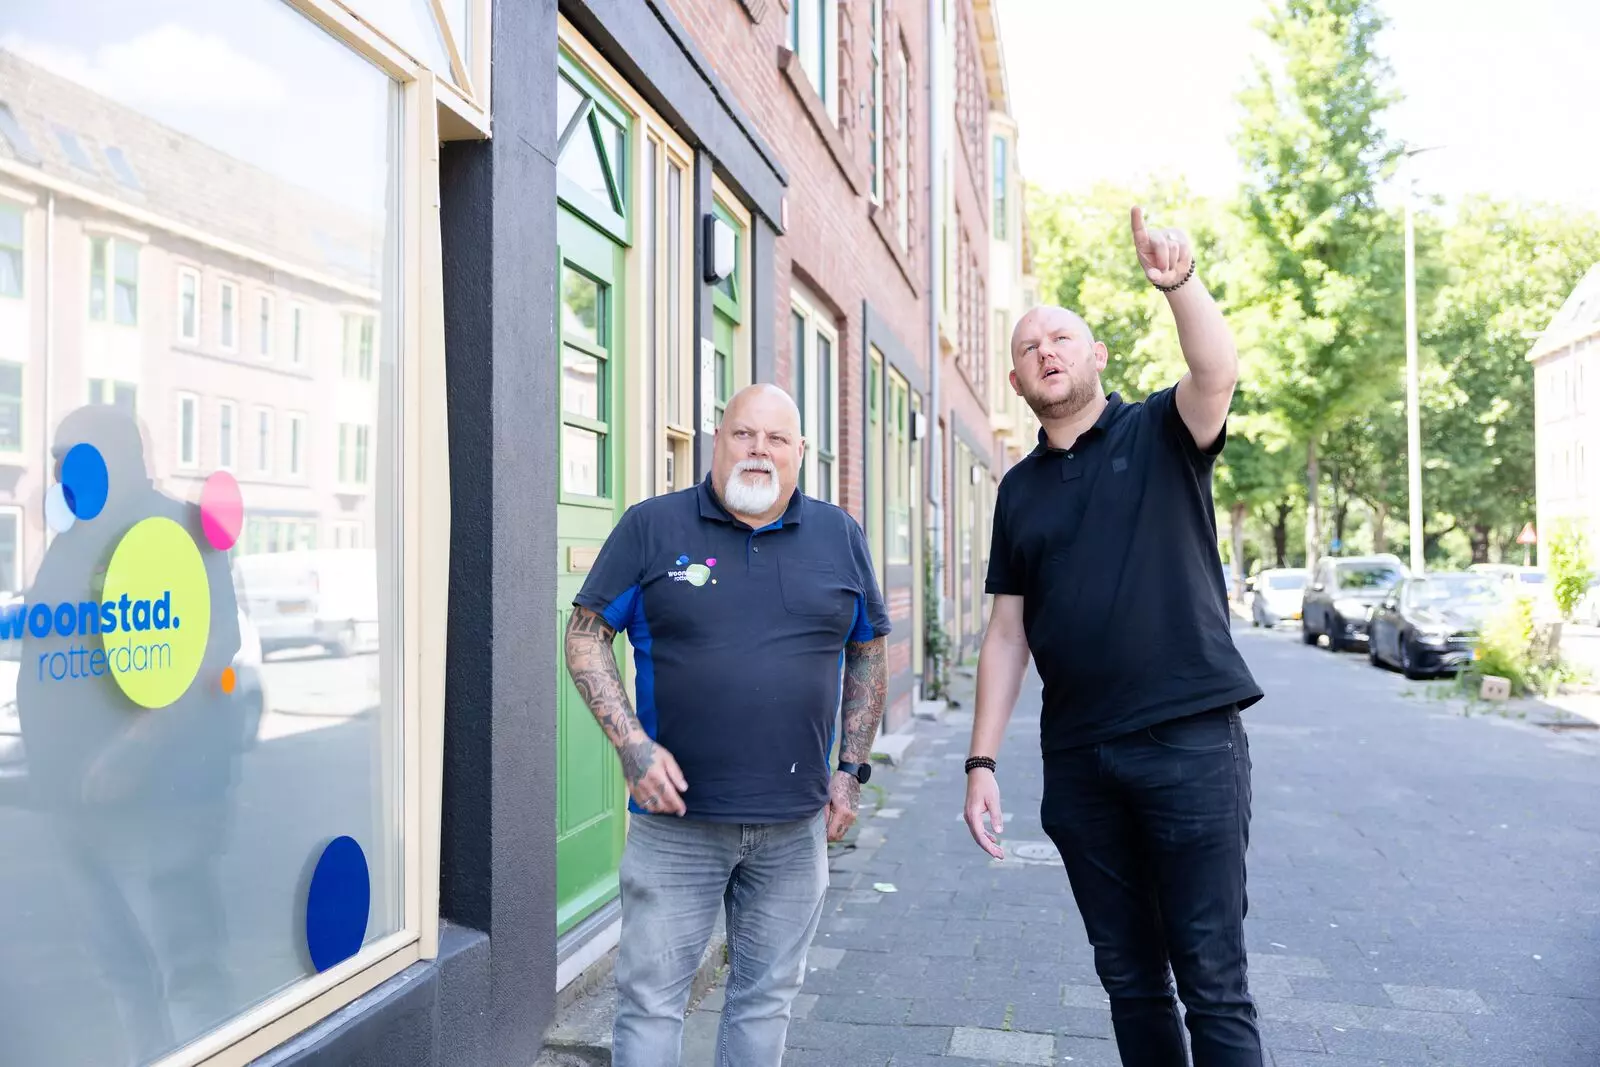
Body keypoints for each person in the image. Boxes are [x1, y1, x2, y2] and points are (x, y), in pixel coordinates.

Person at [963, 208, 1265, 1067]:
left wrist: (1178, 283)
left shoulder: (1163, 432)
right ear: (1019, 383)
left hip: (1190, 744)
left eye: (1062, 337)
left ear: (1097, 357)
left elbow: (1216, 370)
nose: (1046, 350)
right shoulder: (1018, 490)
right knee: (1129, 979)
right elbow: (1007, 632)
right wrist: (981, 762)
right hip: (1082, 760)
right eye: (1028, 348)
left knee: (1212, 977)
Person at [564, 383, 890, 1067]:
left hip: (795, 828)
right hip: (675, 825)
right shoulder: (653, 526)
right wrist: (632, 746)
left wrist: (850, 772)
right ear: (719, 440)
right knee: (652, 1001)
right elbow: (586, 634)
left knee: (764, 999)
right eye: (744, 434)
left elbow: (867, 648)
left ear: (801, 452)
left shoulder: (840, 535)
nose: (759, 451)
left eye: (776, 439)